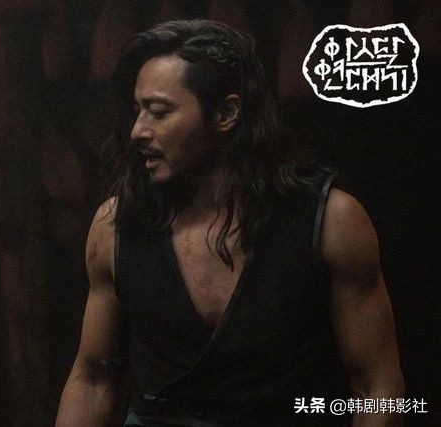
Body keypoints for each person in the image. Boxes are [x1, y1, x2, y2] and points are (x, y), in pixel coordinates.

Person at [56, 20, 403, 426]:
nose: (138, 131)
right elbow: (93, 380)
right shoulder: (118, 225)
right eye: (138, 111)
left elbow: (378, 387)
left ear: (226, 114)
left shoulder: (329, 221)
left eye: (159, 112)